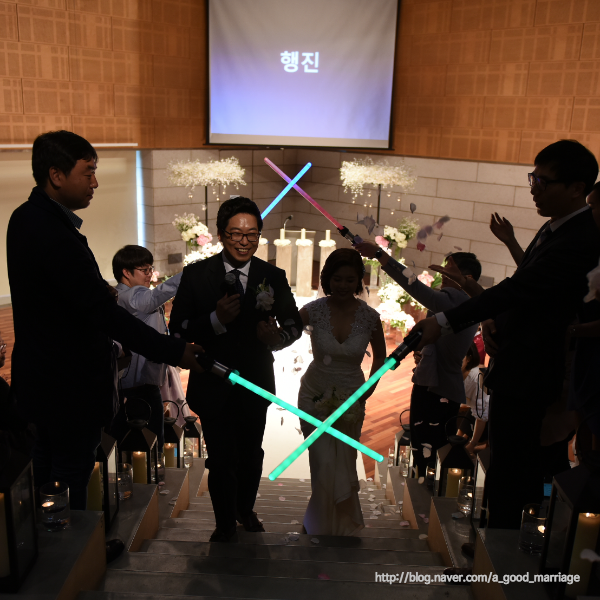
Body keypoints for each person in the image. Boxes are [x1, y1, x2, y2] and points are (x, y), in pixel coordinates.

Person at [6, 130, 203, 511]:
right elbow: (102, 314)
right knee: (70, 475)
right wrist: (174, 350)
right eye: (88, 172)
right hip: (67, 383)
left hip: (41, 379)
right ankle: (71, 541)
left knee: (46, 466)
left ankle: (51, 539)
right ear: (56, 175)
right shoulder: (53, 232)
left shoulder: (25, 218)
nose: (95, 183)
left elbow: (64, 292)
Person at [412, 139, 600, 529]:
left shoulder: (579, 238)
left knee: (514, 465)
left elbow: (519, 289)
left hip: (533, 371)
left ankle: (503, 547)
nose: (534, 189)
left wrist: (445, 321)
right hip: (516, 364)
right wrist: (493, 319)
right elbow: (526, 290)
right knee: (507, 459)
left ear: (576, 188)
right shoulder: (555, 227)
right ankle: (498, 540)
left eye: (543, 182)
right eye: (533, 178)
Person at [169, 196, 303, 542]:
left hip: (255, 383)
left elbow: (294, 325)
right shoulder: (197, 275)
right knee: (220, 459)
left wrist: (277, 338)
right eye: (236, 234)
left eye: (252, 234)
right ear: (221, 234)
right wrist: (215, 320)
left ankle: (246, 509)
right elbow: (178, 329)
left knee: (251, 456)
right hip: (212, 383)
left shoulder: (272, 276)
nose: (245, 241)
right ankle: (225, 523)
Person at [355, 241, 481, 478]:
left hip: (437, 390)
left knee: (427, 454)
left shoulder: (457, 300)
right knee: (430, 452)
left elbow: (414, 286)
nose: (443, 274)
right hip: (442, 387)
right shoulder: (468, 304)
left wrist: (380, 255)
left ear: (468, 279)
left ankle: (423, 492)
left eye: (449, 270)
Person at [297, 249, 386, 536]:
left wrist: (365, 393)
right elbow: (283, 336)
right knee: (322, 460)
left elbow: (381, 359)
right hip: (314, 394)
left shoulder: (370, 317)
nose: (343, 285)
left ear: (359, 280)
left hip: (352, 396)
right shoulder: (311, 311)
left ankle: (340, 521)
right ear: (327, 279)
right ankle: (319, 521)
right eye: (337, 279)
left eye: (350, 280)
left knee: (344, 460)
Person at [110, 245, 183, 453]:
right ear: (126, 272)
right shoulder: (128, 296)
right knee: (147, 445)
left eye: (151, 269)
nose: (150, 274)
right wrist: (187, 275)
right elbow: (151, 299)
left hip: (140, 381)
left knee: (139, 445)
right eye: (144, 270)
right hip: (135, 385)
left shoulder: (129, 295)